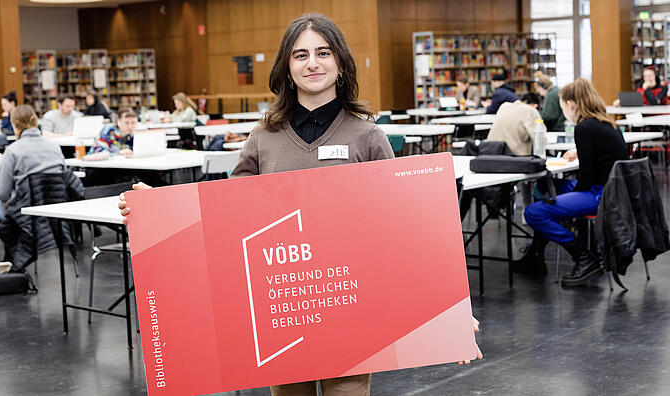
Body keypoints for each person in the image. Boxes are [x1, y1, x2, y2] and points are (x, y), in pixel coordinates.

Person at [118, 13, 482, 395]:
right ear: (286, 68)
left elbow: (403, 230)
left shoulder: (368, 136)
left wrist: (449, 308)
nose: (312, 63)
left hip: (351, 314)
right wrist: (159, 208)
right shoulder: (263, 138)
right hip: (284, 311)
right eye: (300, 54)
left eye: (323, 52)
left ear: (340, 63)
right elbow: (227, 214)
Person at [512, 78, 628, 287]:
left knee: (533, 212)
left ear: (571, 104)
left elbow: (586, 179)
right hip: (614, 191)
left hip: (599, 193)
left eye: (563, 106)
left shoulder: (584, 128)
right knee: (545, 188)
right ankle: (537, 253)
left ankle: (583, 256)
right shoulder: (606, 122)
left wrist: (563, 200)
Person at [0, 104, 70, 253]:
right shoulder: (55, 147)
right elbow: (64, 178)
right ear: (35, 121)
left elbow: (2, 193)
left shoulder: (13, 150)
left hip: (23, 211)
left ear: (15, 125)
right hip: (53, 207)